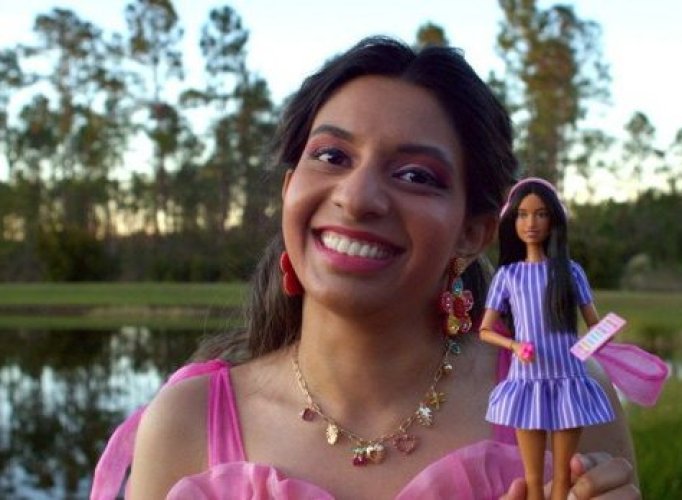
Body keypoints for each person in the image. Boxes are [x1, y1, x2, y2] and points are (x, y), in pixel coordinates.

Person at [91, 36, 639, 500]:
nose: (356, 198)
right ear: (289, 190)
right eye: (332, 156)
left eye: (416, 175)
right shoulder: (185, 422)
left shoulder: (566, 399)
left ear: (473, 231)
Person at [478, 178, 615, 500]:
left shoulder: (570, 272)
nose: (531, 223)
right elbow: (485, 330)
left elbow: (597, 326)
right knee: (533, 480)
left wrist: (582, 351)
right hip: (527, 381)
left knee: (564, 477)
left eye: (540, 214)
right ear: (512, 222)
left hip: (568, 380)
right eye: (522, 215)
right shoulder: (508, 276)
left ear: (553, 220)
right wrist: (514, 346)